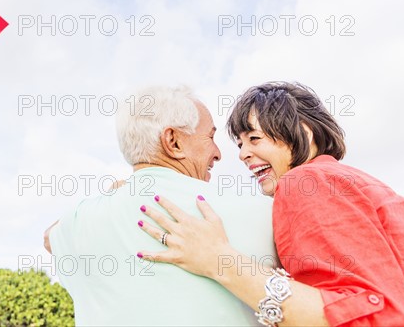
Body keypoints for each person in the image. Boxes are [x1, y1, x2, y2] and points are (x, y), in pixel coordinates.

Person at [137, 82, 404, 327]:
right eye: (240, 144)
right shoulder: (355, 184)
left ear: (303, 133)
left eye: (254, 139)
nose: (244, 154)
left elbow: (376, 316)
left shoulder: (305, 181)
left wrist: (217, 260)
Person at [44, 85, 278, 326]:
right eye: (210, 137)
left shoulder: (74, 225)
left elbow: (49, 237)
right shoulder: (262, 211)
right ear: (173, 141)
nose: (218, 154)